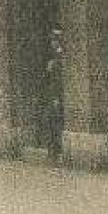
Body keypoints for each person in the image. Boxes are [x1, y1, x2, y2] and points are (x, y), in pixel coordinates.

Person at [44, 29, 65, 160]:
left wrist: (57, 97)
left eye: (55, 40)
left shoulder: (60, 56)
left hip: (57, 94)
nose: (52, 43)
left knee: (55, 120)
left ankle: (56, 150)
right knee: (51, 120)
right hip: (53, 93)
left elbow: (59, 78)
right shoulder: (54, 56)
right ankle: (52, 150)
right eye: (52, 40)